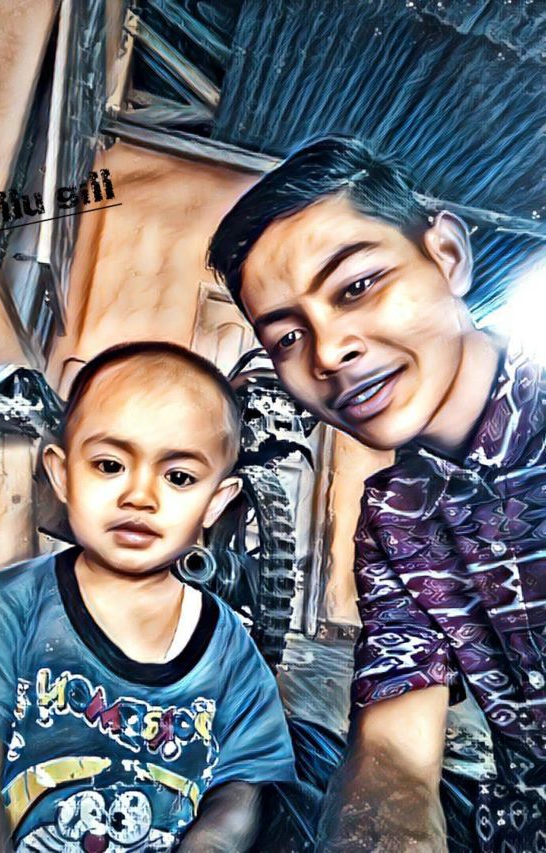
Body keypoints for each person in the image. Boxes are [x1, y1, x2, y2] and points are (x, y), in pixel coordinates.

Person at [207, 135, 546, 852]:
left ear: (447, 255)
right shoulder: (396, 516)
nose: (330, 352)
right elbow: (395, 752)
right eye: (287, 337)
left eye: (357, 286)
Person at [0, 341, 296, 853]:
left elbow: (237, 800)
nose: (139, 496)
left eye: (179, 477)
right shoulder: (0, 611)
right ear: (63, 475)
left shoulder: (232, 657)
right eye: (110, 465)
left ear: (215, 503)